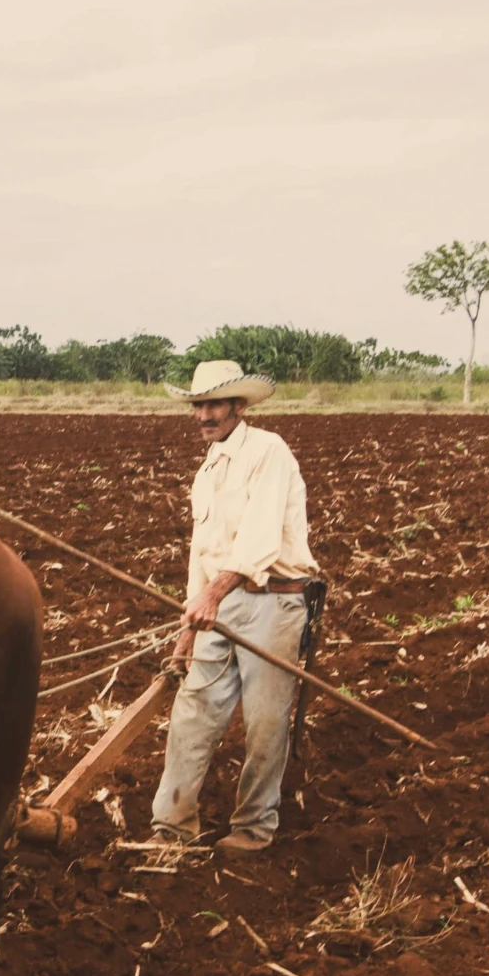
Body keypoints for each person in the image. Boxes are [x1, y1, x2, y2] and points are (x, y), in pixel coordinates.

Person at [151, 360, 321, 853]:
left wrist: (212, 595)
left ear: (238, 407)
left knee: (266, 722)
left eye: (213, 405)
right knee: (192, 712)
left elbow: (259, 539)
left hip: (274, 603)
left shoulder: (269, 452)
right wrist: (189, 625)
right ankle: (172, 824)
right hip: (219, 604)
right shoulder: (207, 470)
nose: (204, 415)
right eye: (198, 405)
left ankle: (253, 826)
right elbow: (202, 552)